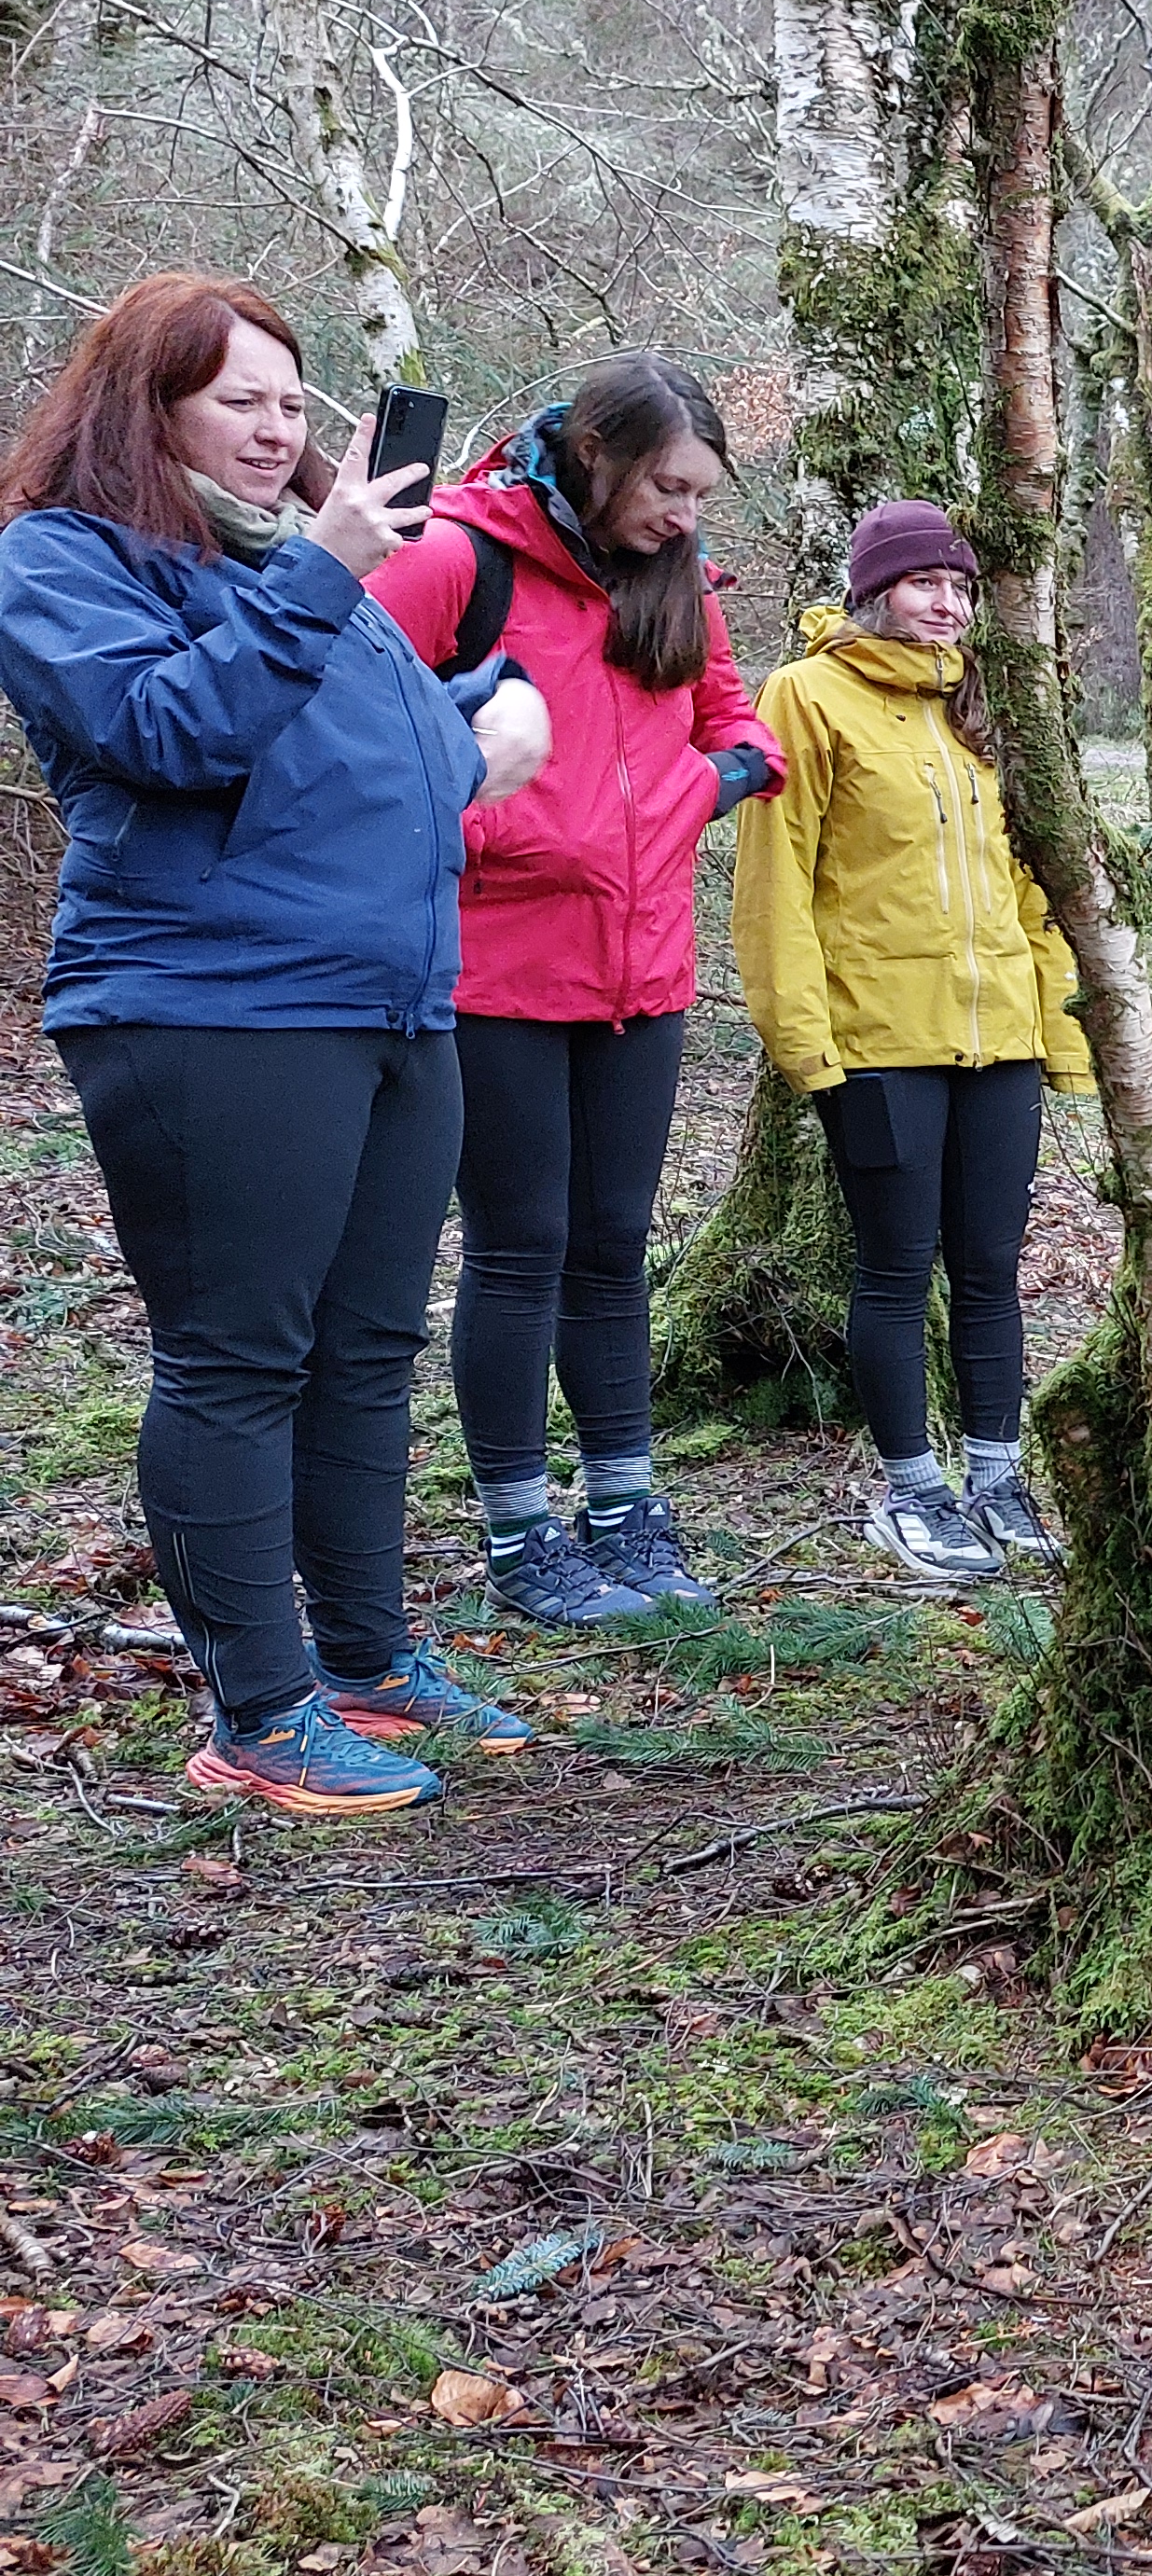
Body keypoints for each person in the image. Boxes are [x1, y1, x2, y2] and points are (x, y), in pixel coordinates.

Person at [0, 273, 552, 1809]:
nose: (272, 426)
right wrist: (323, 569)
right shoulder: (62, 559)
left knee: (368, 1351)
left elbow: (401, 761)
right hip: (208, 1005)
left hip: (390, 1001)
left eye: (290, 400)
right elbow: (166, 734)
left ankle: (365, 1664)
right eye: (235, 397)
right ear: (147, 406)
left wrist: (488, 730)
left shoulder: (311, 574)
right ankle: (254, 1710)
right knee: (238, 1355)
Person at [371, 355, 776, 1627]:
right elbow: (357, 721)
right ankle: (517, 1529)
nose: (684, 513)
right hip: (495, 970)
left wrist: (690, 797)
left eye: (703, 491)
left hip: (644, 974)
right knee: (518, 1248)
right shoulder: (455, 558)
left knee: (613, 1251)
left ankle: (626, 1505)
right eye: (667, 484)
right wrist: (510, 820)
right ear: (594, 451)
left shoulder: (675, 580)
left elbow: (739, 728)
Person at [731, 501, 1090, 1586]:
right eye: (926, 583)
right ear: (874, 589)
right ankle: (912, 1493)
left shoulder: (982, 707)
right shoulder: (806, 696)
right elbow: (776, 881)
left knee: (989, 1269)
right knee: (895, 1271)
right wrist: (806, 1044)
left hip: (1004, 1040)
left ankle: (996, 1478)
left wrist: (1060, 1022)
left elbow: (1032, 879)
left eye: (961, 587)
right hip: (877, 1042)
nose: (946, 604)